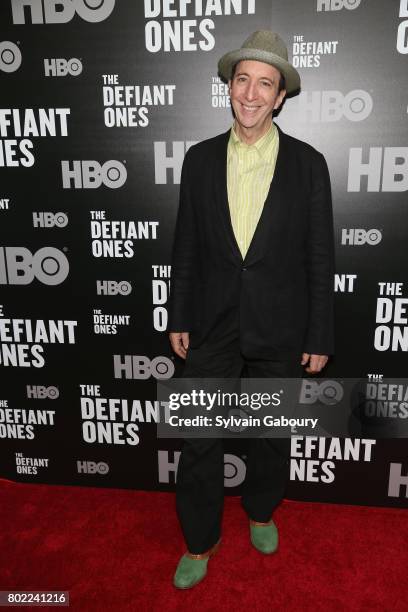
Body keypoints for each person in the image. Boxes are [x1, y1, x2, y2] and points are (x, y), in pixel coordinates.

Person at [167, 30, 335, 589]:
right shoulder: (198, 159)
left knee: (270, 435)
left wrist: (319, 331)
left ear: (281, 96)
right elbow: (185, 246)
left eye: (266, 83)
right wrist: (180, 314)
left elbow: (319, 256)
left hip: (280, 324)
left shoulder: (309, 164)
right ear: (229, 87)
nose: (252, 92)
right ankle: (199, 539)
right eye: (243, 79)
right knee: (197, 440)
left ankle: (261, 511)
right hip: (211, 323)